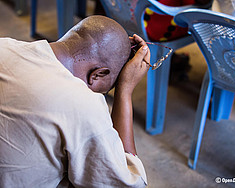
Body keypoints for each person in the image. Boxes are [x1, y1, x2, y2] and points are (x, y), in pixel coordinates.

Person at [0, 15, 150, 187]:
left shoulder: (5, 45)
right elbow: (130, 183)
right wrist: (124, 90)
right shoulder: (83, 105)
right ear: (98, 74)